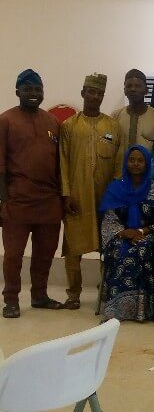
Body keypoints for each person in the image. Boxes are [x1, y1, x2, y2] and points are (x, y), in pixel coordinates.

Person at [1, 69, 64, 318]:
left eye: (38, 90)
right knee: (13, 256)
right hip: (17, 201)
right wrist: (3, 200)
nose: (33, 94)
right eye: (28, 89)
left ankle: (39, 295)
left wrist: (61, 197)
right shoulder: (5, 120)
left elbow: (60, 165)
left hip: (48, 202)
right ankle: (11, 300)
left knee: (45, 254)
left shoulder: (52, 123)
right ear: (17, 91)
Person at [60, 73, 124, 310]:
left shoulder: (113, 126)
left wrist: (116, 196)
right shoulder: (69, 126)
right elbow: (63, 162)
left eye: (99, 93)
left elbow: (119, 163)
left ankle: (105, 290)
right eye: (91, 92)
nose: (95, 96)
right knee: (73, 247)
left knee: (107, 246)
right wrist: (66, 194)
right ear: (83, 93)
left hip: (105, 198)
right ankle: (73, 294)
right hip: (76, 197)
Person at [98, 145, 154, 321]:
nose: (136, 164)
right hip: (120, 235)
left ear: (147, 164)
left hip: (147, 235)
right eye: (132, 160)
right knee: (119, 251)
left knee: (142, 249)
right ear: (126, 162)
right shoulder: (115, 187)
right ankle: (115, 307)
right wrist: (123, 232)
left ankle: (141, 309)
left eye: (141, 160)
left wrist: (140, 231)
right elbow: (109, 220)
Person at [111, 69, 154, 152]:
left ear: (146, 90)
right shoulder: (115, 116)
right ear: (125, 91)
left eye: (138, 86)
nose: (133, 89)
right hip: (121, 165)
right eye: (129, 86)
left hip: (149, 165)